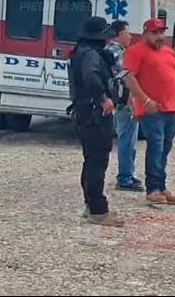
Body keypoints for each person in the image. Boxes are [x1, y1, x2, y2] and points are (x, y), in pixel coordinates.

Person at [123, 17, 175, 205]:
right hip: (151, 109)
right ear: (146, 33)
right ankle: (153, 188)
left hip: (170, 108)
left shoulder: (170, 52)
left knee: (165, 147)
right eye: (155, 33)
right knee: (156, 146)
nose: (160, 36)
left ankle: (161, 185)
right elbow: (129, 77)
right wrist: (144, 100)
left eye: (162, 32)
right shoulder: (135, 51)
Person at [66, 16, 124, 226]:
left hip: (84, 112)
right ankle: (98, 210)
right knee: (97, 161)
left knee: (91, 160)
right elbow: (91, 76)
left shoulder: (80, 52)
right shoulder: (90, 55)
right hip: (93, 113)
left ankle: (91, 206)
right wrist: (104, 98)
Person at [107, 20, 143, 192]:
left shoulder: (108, 51)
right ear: (120, 34)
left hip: (118, 102)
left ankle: (127, 173)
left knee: (128, 140)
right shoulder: (118, 53)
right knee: (127, 141)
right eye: (127, 33)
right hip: (125, 103)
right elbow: (126, 79)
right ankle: (124, 178)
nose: (130, 36)